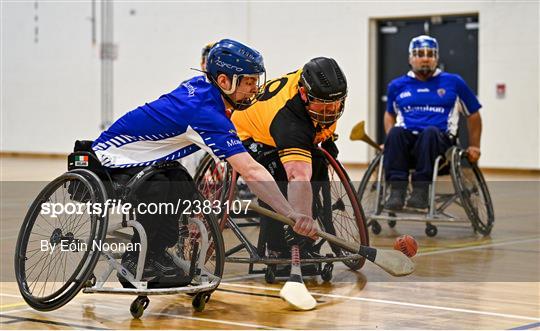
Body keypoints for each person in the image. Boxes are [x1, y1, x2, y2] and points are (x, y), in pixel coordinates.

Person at [91, 39, 318, 286]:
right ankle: (137, 261)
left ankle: (155, 254)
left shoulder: (204, 87)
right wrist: (291, 213)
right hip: (113, 160)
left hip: (142, 158)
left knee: (181, 185)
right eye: (250, 82)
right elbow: (251, 171)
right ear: (224, 81)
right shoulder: (205, 112)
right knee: (157, 188)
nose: (255, 89)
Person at [231, 57, 346, 259]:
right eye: (323, 106)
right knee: (278, 178)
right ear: (304, 94)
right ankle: (278, 247)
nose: (330, 112)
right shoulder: (290, 120)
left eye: (335, 105)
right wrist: (302, 218)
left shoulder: (319, 88)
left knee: (318, 162)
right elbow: (298, 176)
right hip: (249, 132)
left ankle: (302, 240)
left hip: (283, 129)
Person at [383, 35, 483, 211]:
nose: (425, 58)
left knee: (429, 132)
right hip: (407, 143)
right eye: (419, 54)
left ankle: (421, 191)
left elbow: (473, 114)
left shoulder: (454, 82)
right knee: (396, 133)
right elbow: (389, 114)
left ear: (436, 58)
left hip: (440, 143)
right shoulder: (397, 85)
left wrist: (475, 146)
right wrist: (389, 139)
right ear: (410, 58)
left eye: (430, 54)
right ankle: (397, 192)